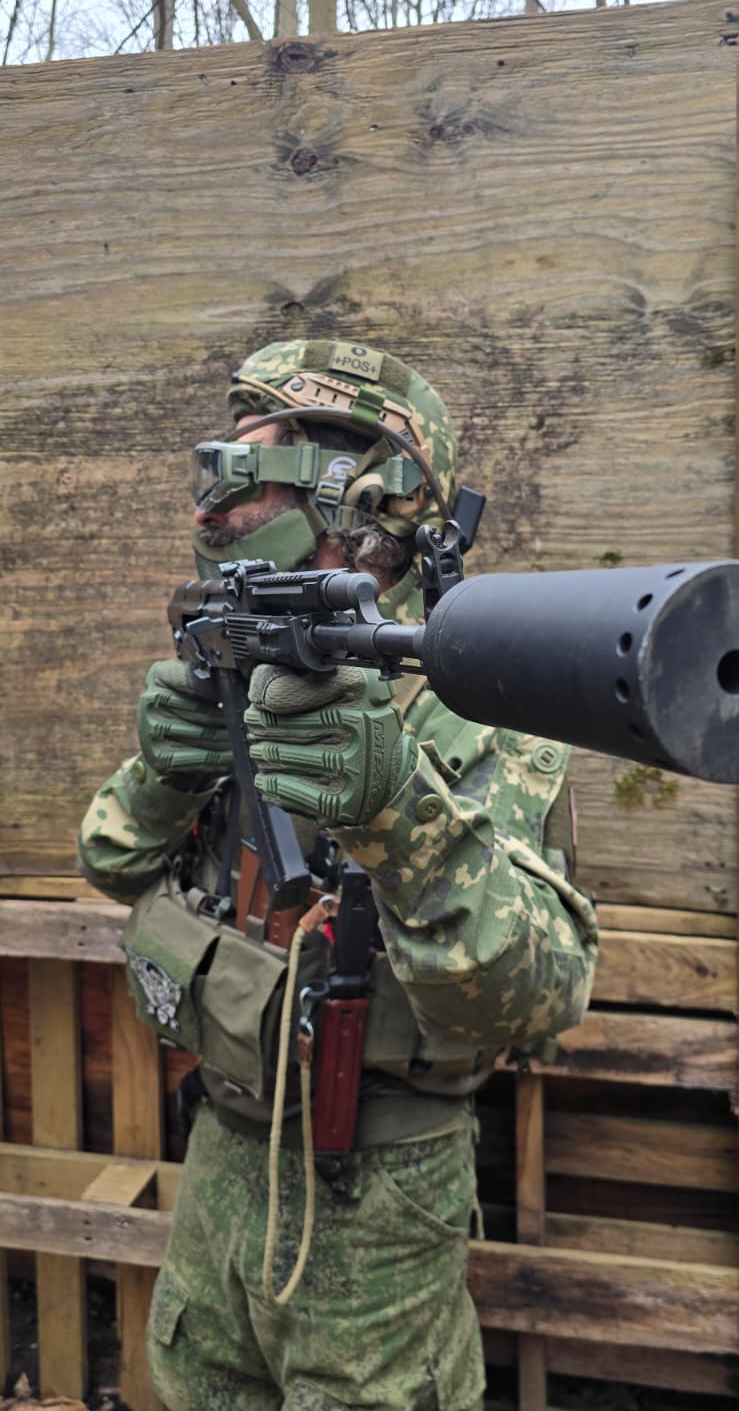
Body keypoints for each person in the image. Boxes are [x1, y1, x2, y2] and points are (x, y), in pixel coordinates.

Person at [78, 338, 598, 1411]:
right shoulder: (239, 663)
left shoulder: (472, 706)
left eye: (241, 473)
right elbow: (112, 859)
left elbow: (539, 998)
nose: (207, 506)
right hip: (220, 1149)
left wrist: (397, 809)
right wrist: (166, 772)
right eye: (210, 469)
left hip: (377, 1183)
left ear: (363, 498)